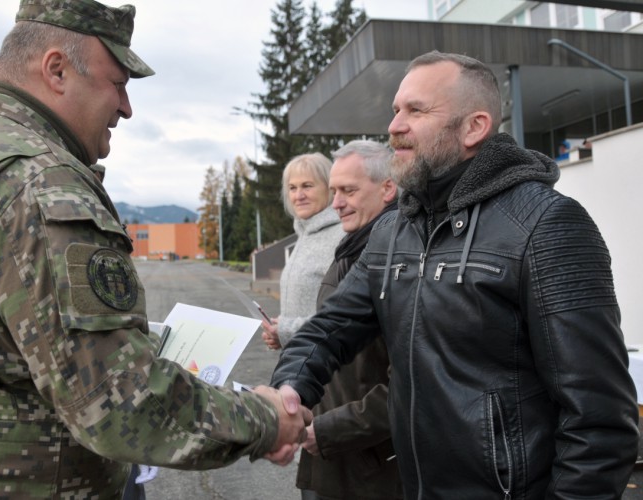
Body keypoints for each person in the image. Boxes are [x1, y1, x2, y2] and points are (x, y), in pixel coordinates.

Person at [0, 1, 310, 498]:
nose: (127, 108)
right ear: (57, 70)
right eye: (118, 84)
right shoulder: (42, 184)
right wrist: (263, 419)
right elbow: (117, 400)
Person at [270, 50, 639, 499]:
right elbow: (328, 330)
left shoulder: (547, 225)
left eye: (416, 110)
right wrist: (288, 392)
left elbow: (599, 417)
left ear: (474, 127)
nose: (394, 126)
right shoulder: (392, 231)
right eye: (396, 111)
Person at [297, 140, 402, 500]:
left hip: (372, 474)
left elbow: (409, 386)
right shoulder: (351, 250)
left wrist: (327, 430)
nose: (336, 202)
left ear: (388, 188)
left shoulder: (398, 264)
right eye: (334, 191)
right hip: (335, 461)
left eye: (349, 191)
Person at [260, 152, 344, 350]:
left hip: (326, 370)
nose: (299, 196)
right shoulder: (304, 234)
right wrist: (280, 333)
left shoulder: (342, 236)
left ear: (330, 188)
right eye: (292, 188)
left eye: (307, 186)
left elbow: (344, 313)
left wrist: (287, 330)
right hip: (301, 361)